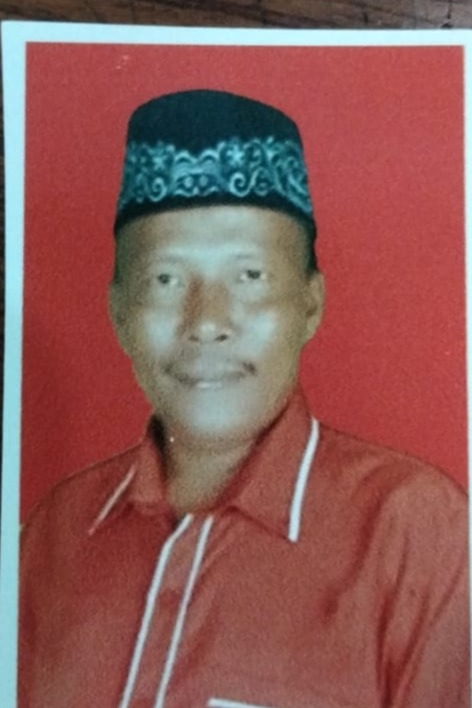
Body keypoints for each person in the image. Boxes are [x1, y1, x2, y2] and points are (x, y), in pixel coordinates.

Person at [19, 89, 469, 708]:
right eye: (166, 279)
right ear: (119, 312)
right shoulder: (56, 531)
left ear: (310, 304)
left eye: (249, 276)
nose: (207, 322)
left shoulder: (414, 530)